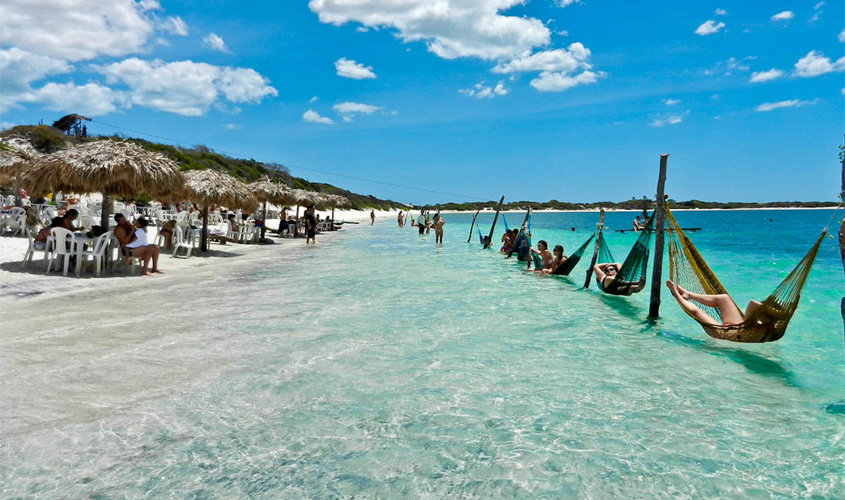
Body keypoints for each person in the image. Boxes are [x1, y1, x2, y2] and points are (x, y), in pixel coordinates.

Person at [666, 280, 764, 327]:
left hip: (732, 332)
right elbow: (753, 304)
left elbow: (752, 303)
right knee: (723, 298)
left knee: (697, 312)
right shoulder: (767, 325)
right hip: (738, 327)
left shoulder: (771, 328)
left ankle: (677, 294)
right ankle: (689, 294)